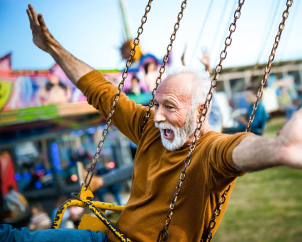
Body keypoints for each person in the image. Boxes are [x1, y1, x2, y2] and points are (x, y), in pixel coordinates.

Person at [1, 4, 302, 242]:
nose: (157, 116)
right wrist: (52, 47)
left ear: (201, 109)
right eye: (155, 104)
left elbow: (238, 150)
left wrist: (276, 148)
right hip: (107, 237)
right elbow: (101, 92)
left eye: (169, 107)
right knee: (13, 236)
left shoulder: (210, 151)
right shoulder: (149, 126)